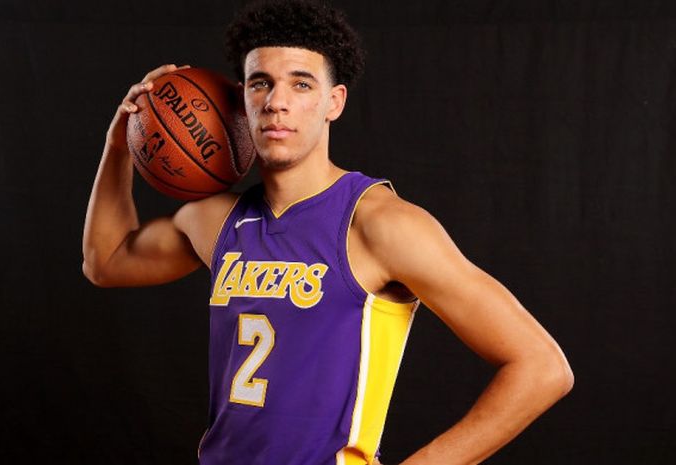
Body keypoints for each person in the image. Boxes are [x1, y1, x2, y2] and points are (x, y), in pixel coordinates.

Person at [82, 0, 573, 464]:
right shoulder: (215, 221)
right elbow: (105, 262)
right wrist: (121, 141)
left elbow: (541, 367)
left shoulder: (379, 224)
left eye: (300, 84)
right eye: (260, 84)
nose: (277, 103)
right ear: (241, 100)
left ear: (333, 101)